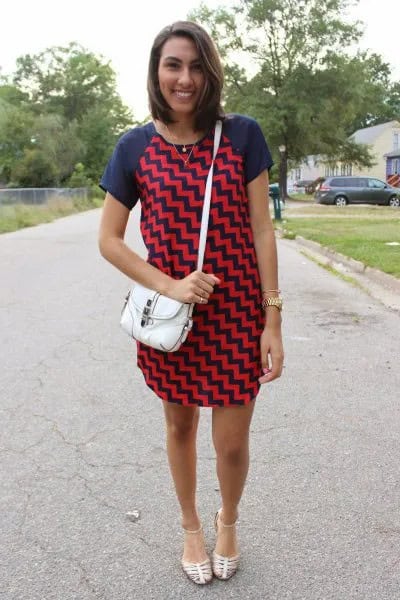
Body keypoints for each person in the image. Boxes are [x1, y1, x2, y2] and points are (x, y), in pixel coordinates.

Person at [98, 20, 284, 585]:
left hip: (236, 318)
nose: (185, 78)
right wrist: (169, 285)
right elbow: (109, 240)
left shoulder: (242, 135)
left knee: (231, 443)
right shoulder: (133, 147)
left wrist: (272, 317)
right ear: (157, 72)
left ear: (211, 73)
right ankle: (190, 528)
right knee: (179, 428)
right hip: (174, 323)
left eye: (197, 66)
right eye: (173, 65)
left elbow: (262, 232)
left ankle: (228, 518)